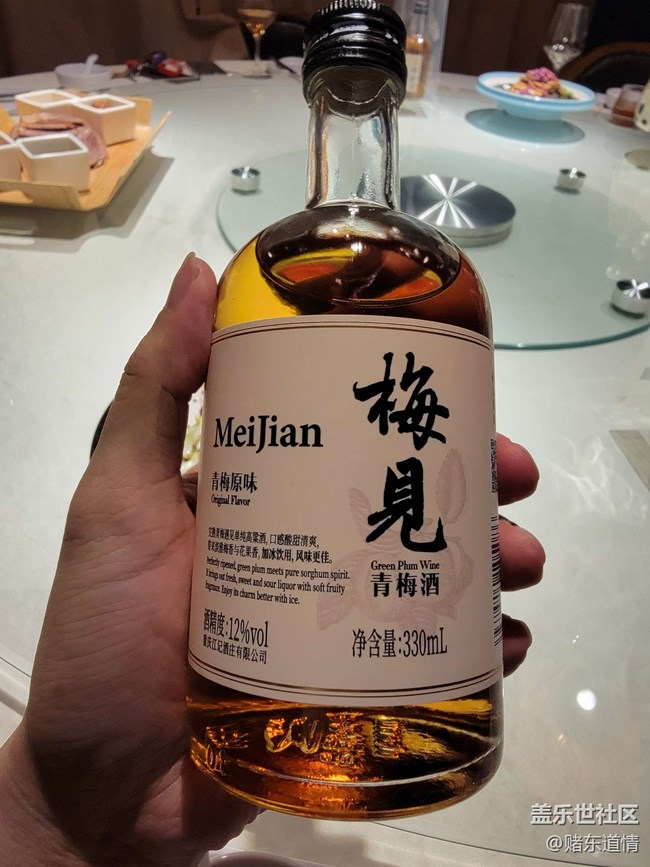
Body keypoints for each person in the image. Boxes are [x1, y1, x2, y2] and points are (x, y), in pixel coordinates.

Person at [0, 254, 545, 867]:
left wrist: (53, 820)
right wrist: (55, 809)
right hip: (233, 729)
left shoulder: (444, 272)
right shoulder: (264, 270)